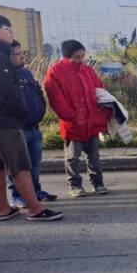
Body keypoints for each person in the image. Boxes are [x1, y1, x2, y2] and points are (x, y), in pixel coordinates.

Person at [0, 14, 62, 222]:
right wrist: (21, 111)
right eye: (6, 28)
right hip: (3, 123)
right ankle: (35, 209)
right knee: (20, 165)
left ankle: (4, 209)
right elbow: (6, 90)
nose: (10, 32)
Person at [45, 39, 111, 197]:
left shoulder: (88, 70)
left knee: (94, 154)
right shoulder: (56, 72)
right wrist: (70, 116)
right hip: (73, 122)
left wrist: (104, 112)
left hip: (92, 119)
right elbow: (55, 98)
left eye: (83, 56)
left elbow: (100, 91)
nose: (81, 59)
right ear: (66, 57)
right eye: (77, 57)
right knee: (73, 156)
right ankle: (74, 185)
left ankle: (98, 183)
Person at [6, 40, 57, 208]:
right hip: (18, 129)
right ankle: (16, 196)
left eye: (22, 52)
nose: (23, 56)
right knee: (17, 166)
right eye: (18, 53)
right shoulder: (3, 76)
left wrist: (41, 108)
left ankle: (35, 190)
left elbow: (38, 92)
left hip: (35, 128)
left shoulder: (26, 73)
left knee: (34, 163)